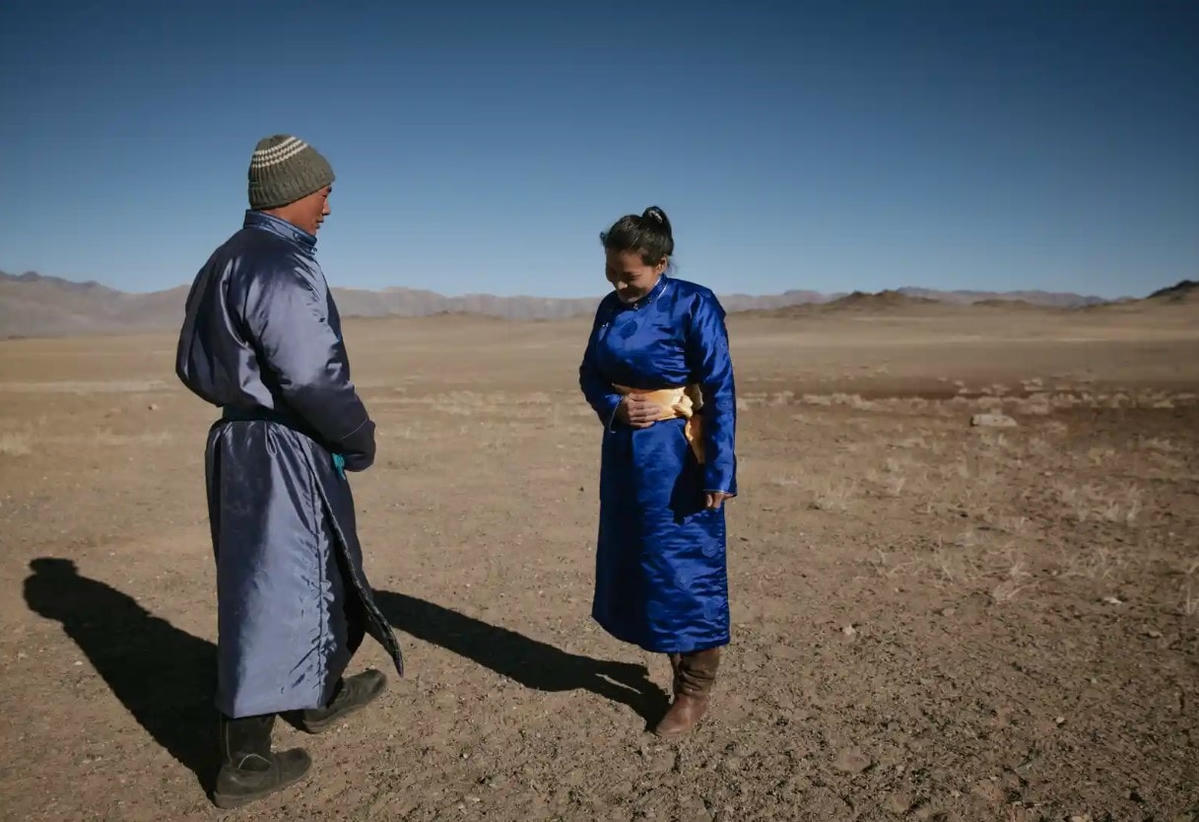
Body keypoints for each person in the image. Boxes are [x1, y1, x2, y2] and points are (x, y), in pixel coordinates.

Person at [176, 135, 403, 808]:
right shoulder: (278, 264)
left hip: (245, 440)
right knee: (272, 591)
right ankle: (243, 760)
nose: (329, 205)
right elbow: (310, 373)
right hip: (281, 446)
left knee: (319, 571)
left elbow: (191, 363)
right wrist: (356, 436)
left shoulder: (227, 258)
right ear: (293, 193)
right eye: (324, 191)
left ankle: (319, 690)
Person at [578, 206, 737, 737]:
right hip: (625, 460)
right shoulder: (608, 306)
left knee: (685, 569)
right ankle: (672, 667)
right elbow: (590, 373)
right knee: (644, 565)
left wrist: (719, 469)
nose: (619, 285)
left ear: (660, 263)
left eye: (631, 275)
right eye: (612, 274)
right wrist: (616, 407)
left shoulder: (695, 303)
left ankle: (692, 693)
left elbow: (719, 389)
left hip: (679, 460)